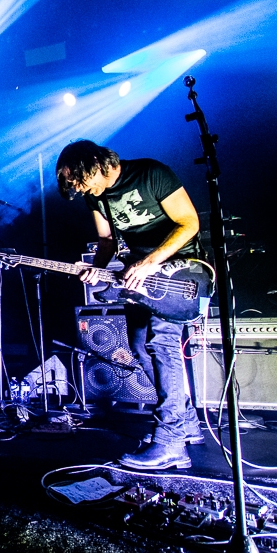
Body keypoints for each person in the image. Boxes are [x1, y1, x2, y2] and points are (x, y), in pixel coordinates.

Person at [56, 140, 204, 471]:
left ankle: (171, 443)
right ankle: (186, 423)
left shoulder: (151, 173)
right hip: (138, 276)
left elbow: (189, 223)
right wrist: (96, 269)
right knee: (138, 346)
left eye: (81, 181)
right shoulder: (96, 197)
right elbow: (108, 241)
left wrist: (151, 262)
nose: (81, 190)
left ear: (94, 162)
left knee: (163, 344)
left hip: (179, 271)